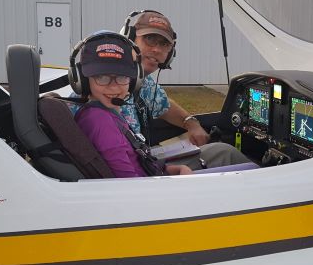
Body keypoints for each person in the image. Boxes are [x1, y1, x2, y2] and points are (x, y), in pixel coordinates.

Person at [120, 10, 250, 170]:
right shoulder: (114, 85)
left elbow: (164, 105)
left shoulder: (142, 81)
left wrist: (192, 123)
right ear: (130, 40)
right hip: (136, 171)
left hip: (142, 159)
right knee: (226, 153)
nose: (156, 50)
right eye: (149, 39)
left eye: (164, 44)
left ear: (170, 54)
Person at [71, 32, 193, 178]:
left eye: (122, 77)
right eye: (101, 77)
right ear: (82, 80)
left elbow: (139, 164)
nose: (114, 87)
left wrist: (175, 170)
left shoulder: (110, 113)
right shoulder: (99, 121)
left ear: (134, 81)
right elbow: (130, 185)